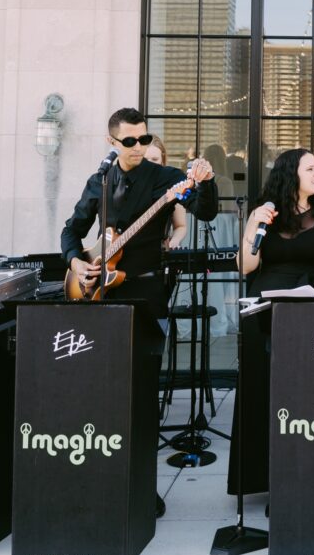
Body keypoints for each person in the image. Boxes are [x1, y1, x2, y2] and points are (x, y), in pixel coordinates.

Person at [61, 107, 218, 518]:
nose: (139, 147)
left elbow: (205, 210)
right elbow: (72, 230)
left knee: (143, 392)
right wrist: (77, 262)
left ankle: (143, 490)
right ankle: (100, 480)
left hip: (146, 291)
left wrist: (207, 180)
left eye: (144, 139)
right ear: (111, 143)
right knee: (103, 391)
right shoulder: (99, 181)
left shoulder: (165, 179)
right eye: (130, 141)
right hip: (101, 294)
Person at [229, 148, 314, 496]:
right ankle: (264, 477)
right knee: (264, 390)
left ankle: (309, 472)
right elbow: (245, 267)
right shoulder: (262, 213)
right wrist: (256, 228)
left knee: (307, 392)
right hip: (265, 311)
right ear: (290, 174)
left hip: (311, 308)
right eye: (310, 168)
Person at [144, 134, 188, 249]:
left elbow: (181, 225)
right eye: (145, 159)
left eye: (154, 159)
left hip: (158, 251)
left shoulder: (172, 184)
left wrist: (174, 241)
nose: (149, 164)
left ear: (162, 161)